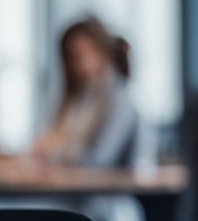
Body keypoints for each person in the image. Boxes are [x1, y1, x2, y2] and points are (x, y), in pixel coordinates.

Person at [33, 16, 139, 168]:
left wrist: (57, 150)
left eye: (85, 54)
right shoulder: (77, 97)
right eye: (73, 58)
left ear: (103, 52)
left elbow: (99, 159)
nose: (80, 64)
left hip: (102, 189)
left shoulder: (118, 100)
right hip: (70, 185)